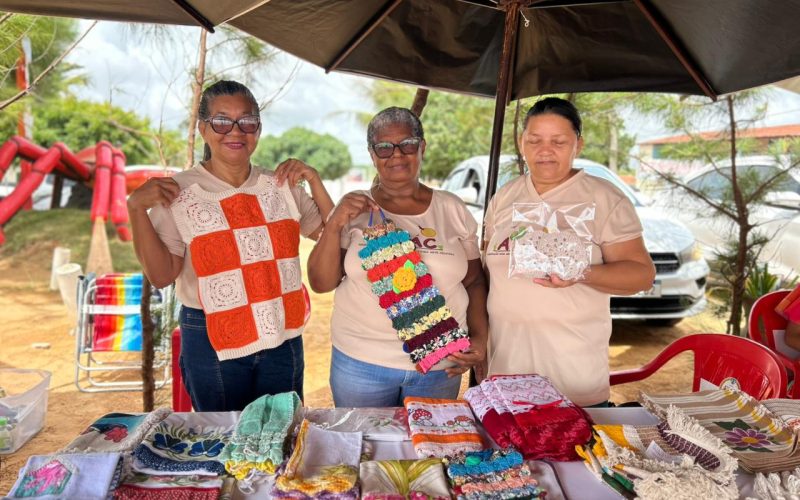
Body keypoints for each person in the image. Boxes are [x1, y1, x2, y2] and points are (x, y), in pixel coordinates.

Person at [127, 80, 334, 411]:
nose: (235, 131)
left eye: (247, 121)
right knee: (222, 437)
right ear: (203, 129)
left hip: (281, 329)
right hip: (211, 335)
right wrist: (136, 209)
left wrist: (314, 179)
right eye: (222, 121)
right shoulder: (177, 191)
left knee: (281, 433)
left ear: (258, 129)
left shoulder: (281, 186)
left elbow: (331, 232)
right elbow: (163, 275)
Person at [307, 107, 488, 407]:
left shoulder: (452, 209)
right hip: (361, 363)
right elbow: (321, 282)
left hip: (440, 362)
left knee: (429, 449)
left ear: (422, 147)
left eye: (408, 144)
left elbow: (475, 281)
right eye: (384, 147)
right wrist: (335, 222)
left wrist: (480, 339)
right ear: (372, 153)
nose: (397, 154)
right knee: (365, 447)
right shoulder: (353, 209)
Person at [482, 97, 656, 407]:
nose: (544, 150)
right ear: (521, 143)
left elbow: (641, 275)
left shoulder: (603, 197)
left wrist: (580, 271)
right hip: (506, 381)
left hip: (573, 382)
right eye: (534, 140)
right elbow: (488, 277)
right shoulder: (504, 197)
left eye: (558, 141)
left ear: (579, 143)